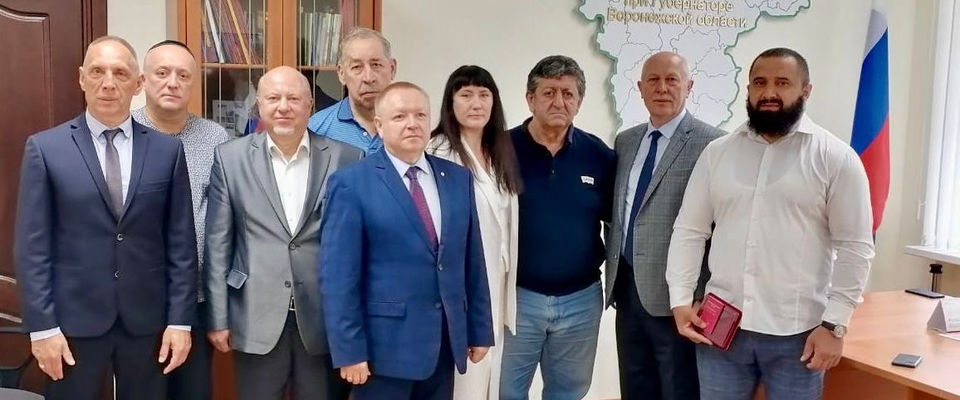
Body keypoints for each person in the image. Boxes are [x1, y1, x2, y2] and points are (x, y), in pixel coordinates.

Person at [666, 47, 875, 400]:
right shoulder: (717, 154)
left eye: (782, 83)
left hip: (798, 334)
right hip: (720, 329)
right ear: (748, 89)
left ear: (806, 90)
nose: (769, 92)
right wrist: (681, 299)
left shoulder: (836, 158)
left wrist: (835, 325)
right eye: (760, 83)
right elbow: (690, 230)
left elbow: (855, 248)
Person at [14, 35, 197, 400]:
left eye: (120, 73)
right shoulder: (46, 149)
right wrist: (42, 327)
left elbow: (181, 244)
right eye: (97, 71)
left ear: (138, 83)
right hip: (70, 325)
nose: (108, 83)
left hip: (147, 325)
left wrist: (180, 321)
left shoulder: (167, 151)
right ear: (82, 78)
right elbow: (32, 248)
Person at [321, 82, 494, 400]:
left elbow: (473, 260)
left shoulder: (457, 178)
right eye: (400, 116)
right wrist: (349, 351)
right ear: (379, 125)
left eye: (420, 115)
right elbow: (338, 278)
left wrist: (480, 329)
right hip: (383, 352)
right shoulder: (351, 183)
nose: (412, 124)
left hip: (443, 345)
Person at [204, 66, 361, 400]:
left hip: (323, 316)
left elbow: (355, 247)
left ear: (310, 105)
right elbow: (218, 244)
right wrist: (218, 318)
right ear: (259, 105)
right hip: (253, 311)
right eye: (274, 98)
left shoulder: (346, 157)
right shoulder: (230, 158)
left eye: (294, 98)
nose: (283, 107)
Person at [605, 51, 724, 400]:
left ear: (689, 86)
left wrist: (701, 293)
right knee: (635, 386)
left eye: (672, 80)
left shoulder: (713, 144)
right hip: (627, 290)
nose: (662, 88)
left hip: (679, 299)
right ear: (640, 88)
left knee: (678, 389)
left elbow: (719, 227)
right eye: (653, 80)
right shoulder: (626, 141)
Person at [500, 55, 615, 400]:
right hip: (517, 300)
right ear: (530, 99)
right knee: (505, 392)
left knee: (568, 393)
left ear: (579, 101)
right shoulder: (500, 150)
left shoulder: (599, 155)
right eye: (548, 92)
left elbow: (614, 222)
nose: (559, 102)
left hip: (581, 300)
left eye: (568, 93)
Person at [131, 39, 230, 400]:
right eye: (162, 73)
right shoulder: (124, 133)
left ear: (193, 83)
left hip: (196, 298)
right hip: (136, 299)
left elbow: (224, 219)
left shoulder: (215, 137)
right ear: (143, 81)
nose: (173, 82)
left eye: (183, 75)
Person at [426, 65, 522, 400]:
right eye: (465, 95)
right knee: (463, 379)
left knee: (486, 378)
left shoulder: (499, 152)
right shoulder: (437, 152)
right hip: (463, 283)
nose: (476, 103)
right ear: (450, 103)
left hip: (497, 279)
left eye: (483, 94)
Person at [307, 27, 396, 155]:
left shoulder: (410, 125)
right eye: (357, 67)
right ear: (341, 74)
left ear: (392, 69)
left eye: (376, 65)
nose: (368, 78)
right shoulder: (317, 129)